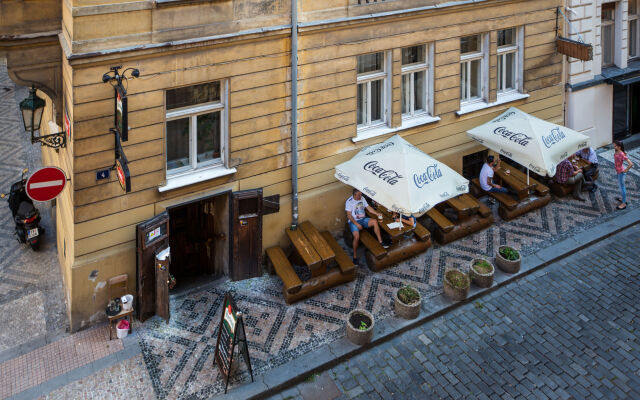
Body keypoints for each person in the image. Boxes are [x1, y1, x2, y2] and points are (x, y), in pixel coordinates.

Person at [345, 189, 388, 264]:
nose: (360, 196)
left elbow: (368, 208)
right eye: (359, 195)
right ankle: (355, 256)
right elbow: (349, 216)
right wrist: (357, 224)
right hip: (354, 222)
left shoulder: (362, 198)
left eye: (361, 194)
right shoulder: (349, 201)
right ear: (354, 195)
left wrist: (376, 213)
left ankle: (381, 242)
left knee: (374, 221)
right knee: (356, 237)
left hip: (363, 219)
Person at [613, 140, 633, 210]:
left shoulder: (621, 154)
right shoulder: (617, 151)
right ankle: (623, 199)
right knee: (621, 186)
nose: (614, 147)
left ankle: (623, 203)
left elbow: (631, 164)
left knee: (622, 188)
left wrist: (626, 170)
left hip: (621, 172)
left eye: (615, 146)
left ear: (619, 147)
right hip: (618, 171)